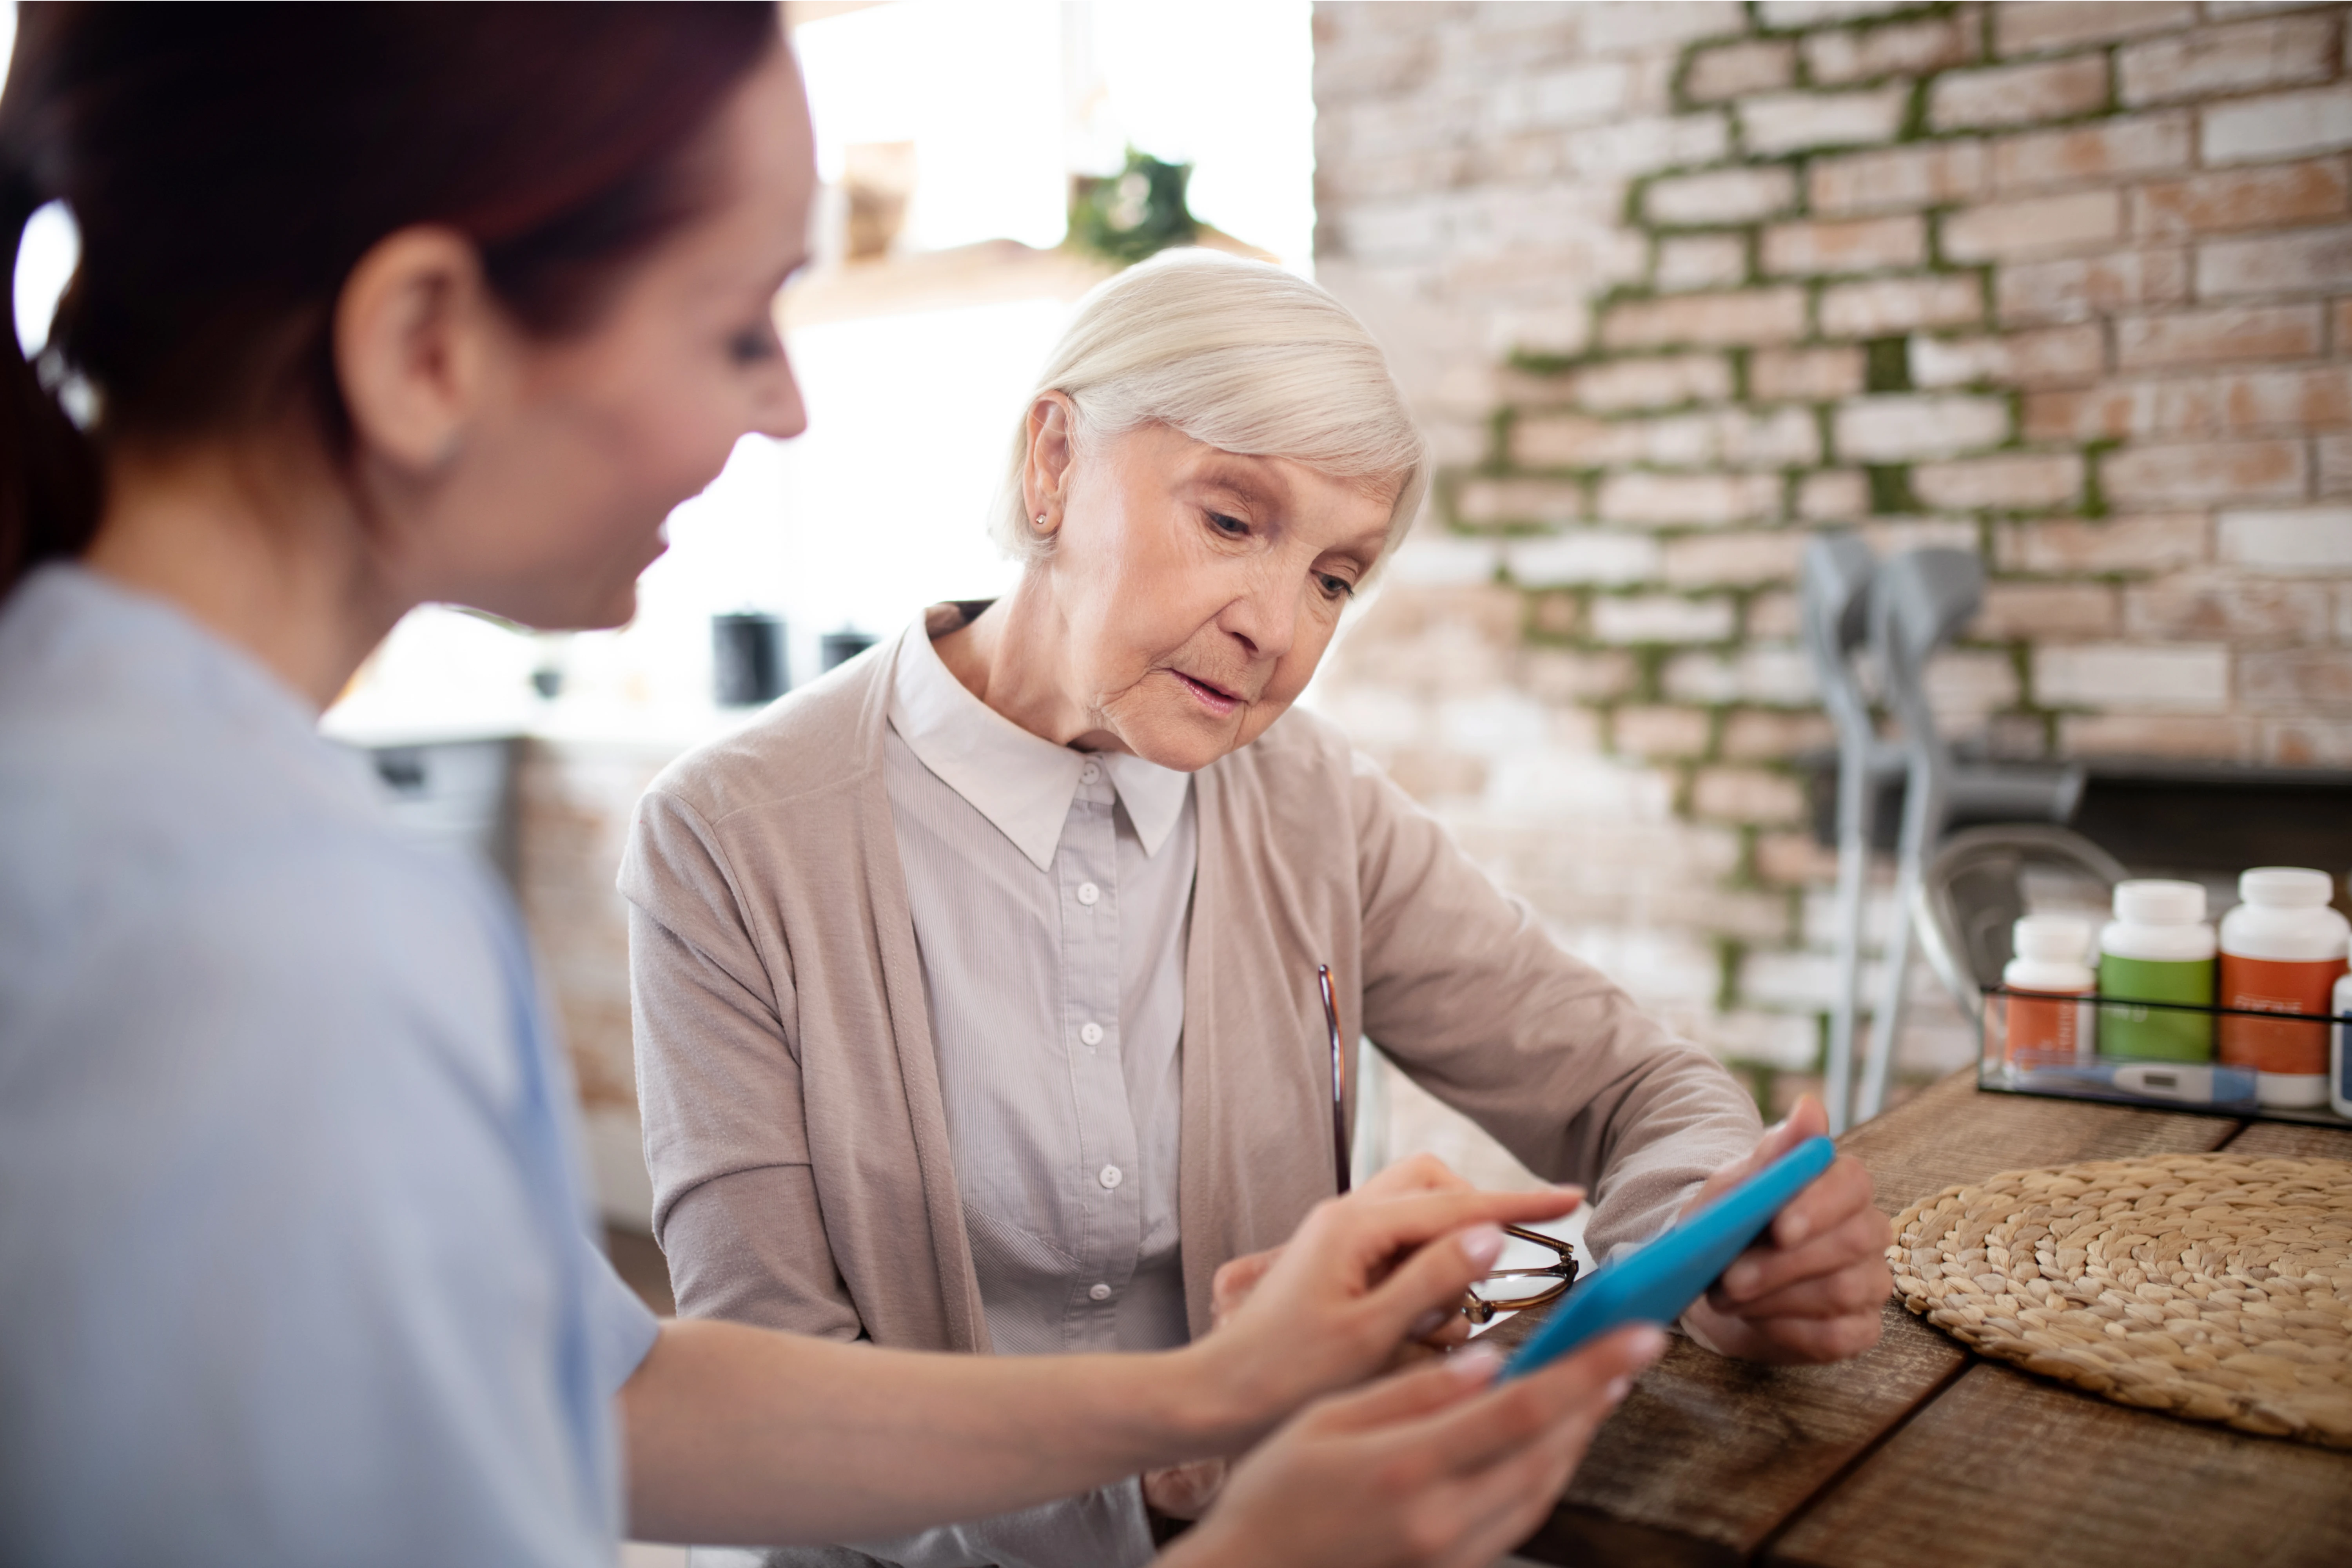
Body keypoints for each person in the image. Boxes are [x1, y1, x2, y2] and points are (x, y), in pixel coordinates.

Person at [0, 3, 1674, 1564]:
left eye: (1337, 574)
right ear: (428, 342)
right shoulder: (247, 932)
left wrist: (1216, 1396)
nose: (794, 410)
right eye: (739, 322)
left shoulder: (180, 813)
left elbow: (626, 1398)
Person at [625, 257, 1893, 1565]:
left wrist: (1715, 1251)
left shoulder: (1314, 805)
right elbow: (764, 1413)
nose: (1277, 630)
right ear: (1054, 462)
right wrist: (1178, 1485)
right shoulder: (731, 840)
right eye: (1232, 523)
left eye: (1335, 579)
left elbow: (1640, 1088)